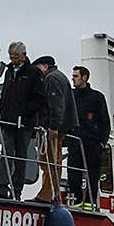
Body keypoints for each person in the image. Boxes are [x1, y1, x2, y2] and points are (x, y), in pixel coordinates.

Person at [0, 42, 44, 200]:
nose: (13, 60)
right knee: (6, 155)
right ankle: (1, 189)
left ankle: (17, 190)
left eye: (15, 57)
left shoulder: (34, 73)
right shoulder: (9, 70)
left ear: (24, 54)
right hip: (7, 119)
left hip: (24, 123)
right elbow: (6, 92)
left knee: (20, 157)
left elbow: (39, 98)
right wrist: (2, 110)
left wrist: (25, 112)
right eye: (11, 57)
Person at [29, 55, 78, 204]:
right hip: (59, 126)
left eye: (37, 69)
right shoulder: (59, 77)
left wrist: (53, 126)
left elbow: (56, 103)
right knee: (53, 161)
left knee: (49, 162)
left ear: (44, 66)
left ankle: (46, 195)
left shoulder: (51, 79)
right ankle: (52, 193)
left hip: (53, 128)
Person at [67, 66, 110, 206]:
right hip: (74, 141)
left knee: (93, 175)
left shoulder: (97, 98)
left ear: (84, 77)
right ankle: (77, 201)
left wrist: (102, 140)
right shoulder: (70, 95)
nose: (72, 78)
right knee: (73, 174)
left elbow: (104, 120)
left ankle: (90, 202)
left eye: (75, 76)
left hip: (92, 143)